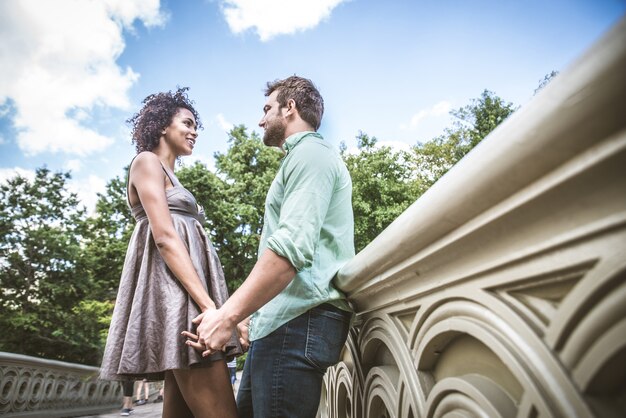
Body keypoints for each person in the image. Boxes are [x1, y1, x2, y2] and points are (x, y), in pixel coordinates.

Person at [184, 76, 354, 418]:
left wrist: (228, 316)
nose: (261, 120)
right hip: (282, 326)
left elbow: (289, 250)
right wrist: (249, 316)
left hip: (297, 324)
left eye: (266, 109)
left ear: (289, 108)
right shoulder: (299, 159)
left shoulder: (311, 155)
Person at [99, 87, 241, 418]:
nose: (194, 132)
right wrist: (212, 308)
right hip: (178, 300)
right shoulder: (147, 162)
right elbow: (164, 237)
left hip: (184, 297)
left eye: (196, 127)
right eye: (187, 123)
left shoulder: (171, 175)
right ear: (163, 125)